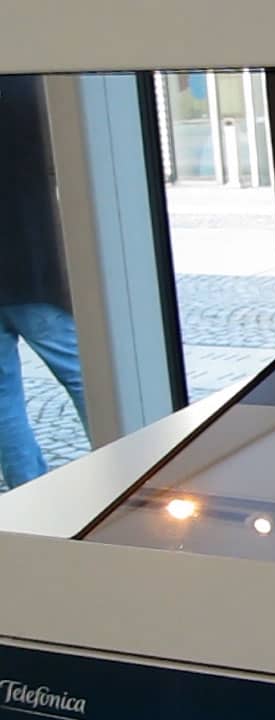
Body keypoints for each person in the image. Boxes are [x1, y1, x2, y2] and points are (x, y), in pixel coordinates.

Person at [0, 75, 88, 489]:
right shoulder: (33, 83)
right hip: (32, 267)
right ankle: (135, 477)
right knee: (91, 379)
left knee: (2, 397)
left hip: (24, 268)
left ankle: (28, 493)